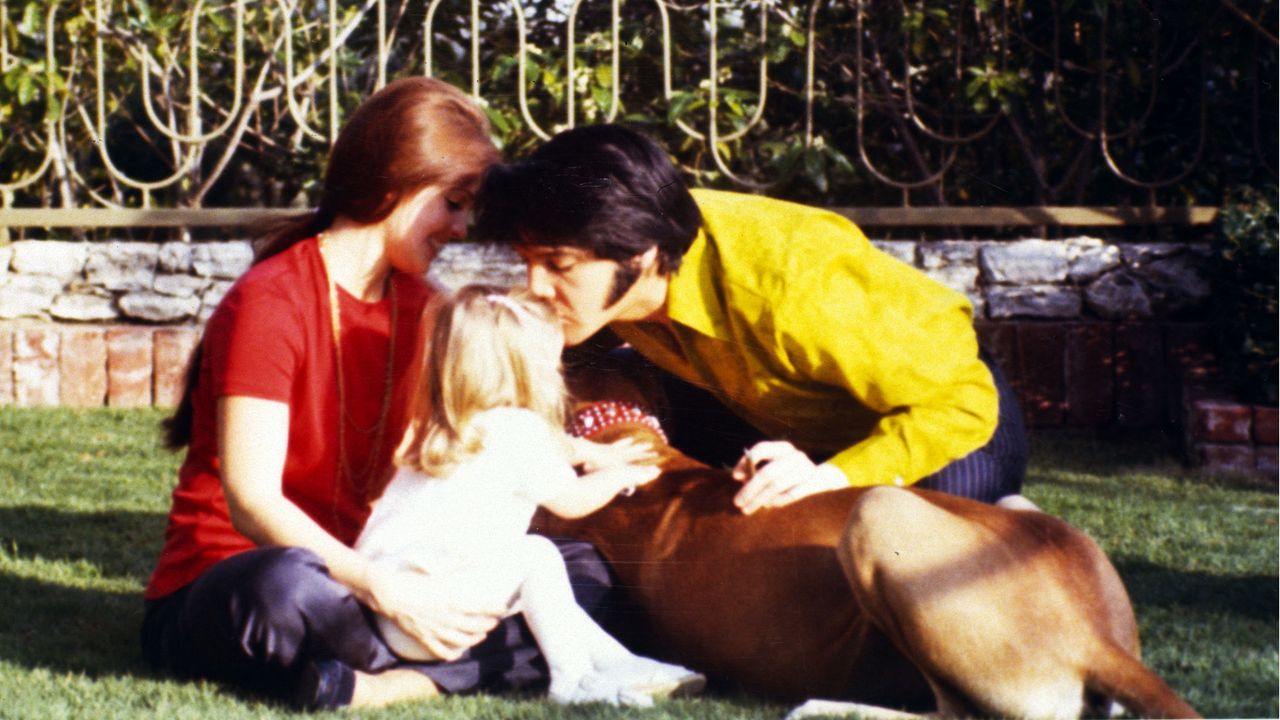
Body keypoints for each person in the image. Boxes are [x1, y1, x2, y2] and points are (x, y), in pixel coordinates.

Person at [140, 78, 616, 711]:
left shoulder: (429, 309)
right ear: (398, 183)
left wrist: (590, 452)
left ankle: (381, 683)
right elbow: (252, 503)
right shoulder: (271, 301)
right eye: (452, 202)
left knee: (577, 571)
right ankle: (445, 667)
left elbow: (490, 427)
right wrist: (385, 591)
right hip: (259, 581)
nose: (461, 227)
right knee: (281, 590)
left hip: (383, 587)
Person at [472, 124, 1027, 514]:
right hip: (770, 411)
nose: (535, 287)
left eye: (557, 265)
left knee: (925, 530)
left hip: (945, 407)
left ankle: (1017, 519)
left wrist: (831, 477)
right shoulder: (610, 280)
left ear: (638, 255)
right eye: (527, 263)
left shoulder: (793, 280)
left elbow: (959, 401)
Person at [355, 284, 705, 706]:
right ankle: (571, 680)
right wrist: (621, 475)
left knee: (540, 588)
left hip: (387, 610)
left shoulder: (449, 428)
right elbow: (572, 500)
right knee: (536, 557)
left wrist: (594, 451)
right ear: (526, 370)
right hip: (441, 620)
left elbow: (557, 448)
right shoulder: (522, 430)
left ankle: (622, 663)